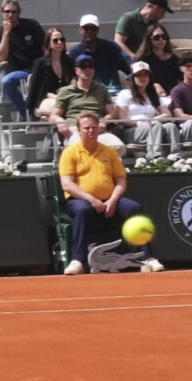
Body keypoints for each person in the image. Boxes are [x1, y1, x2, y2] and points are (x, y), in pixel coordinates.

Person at [59, 109, 161, 273]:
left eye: (94, 127)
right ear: (79, 130)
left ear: (99, 128)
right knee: (83, 210)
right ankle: (77, 260)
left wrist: (113, 200)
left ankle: (147, 258)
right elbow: (67, 185)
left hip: (110, 200)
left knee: (135, 208)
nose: (91, 131)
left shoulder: (110, 152)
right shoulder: (69, 152)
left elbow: (121, 180)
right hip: (80, 201)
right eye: (86, 128)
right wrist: (92, 200)